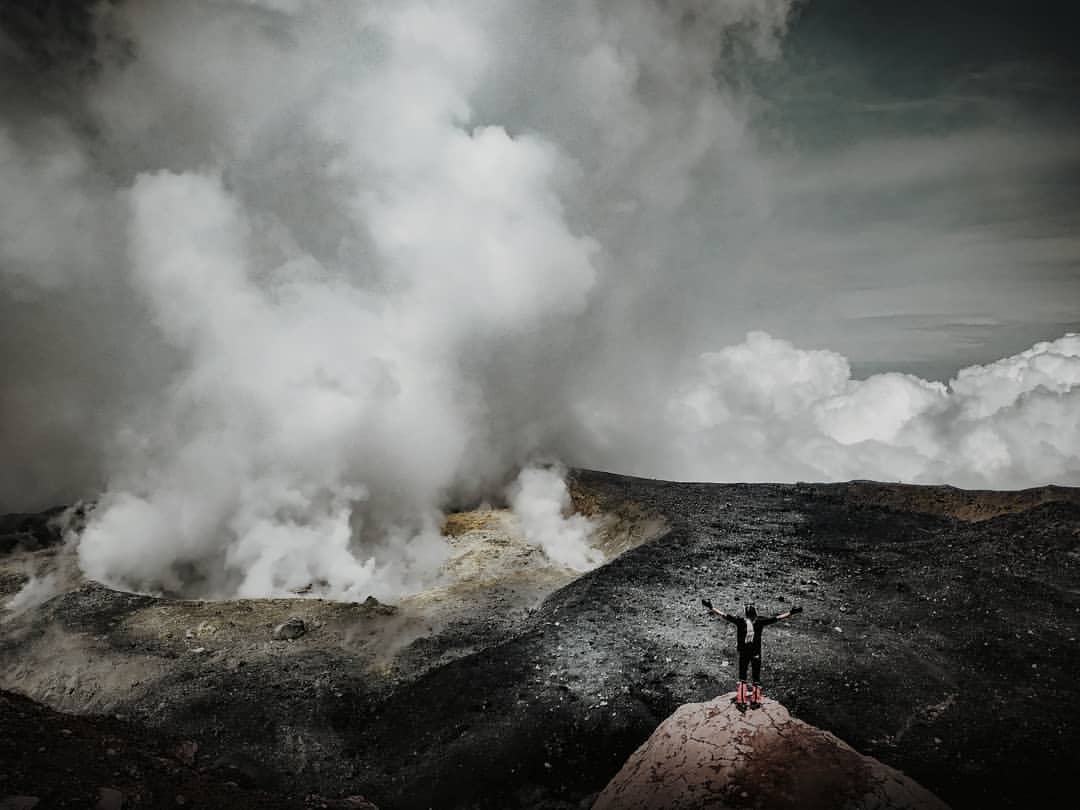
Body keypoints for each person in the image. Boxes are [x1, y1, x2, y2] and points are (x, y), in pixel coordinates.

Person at [701, 599, 802, 708]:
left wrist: (711, 607)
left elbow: (724, 615)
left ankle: (741, 701)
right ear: (755, 612)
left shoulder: (740, 621)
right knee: (756, 677)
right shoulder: (760, 621)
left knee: (742, 676)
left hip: (744, 653)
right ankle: (755, 700)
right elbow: (776, 618)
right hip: (756, 653)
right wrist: (791, 613)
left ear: (745, 612)